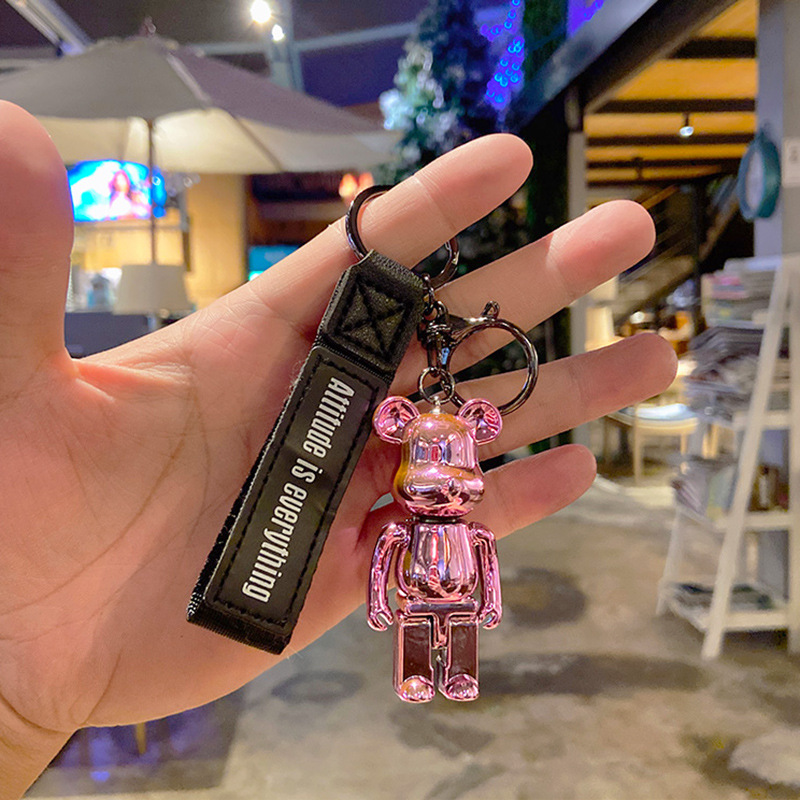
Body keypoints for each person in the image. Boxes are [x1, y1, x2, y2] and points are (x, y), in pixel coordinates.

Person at [0, 100, 676, 798]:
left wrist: (13, 718)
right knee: (416, 638)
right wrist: (12, 705)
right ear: (397, 428)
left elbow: (479, 562)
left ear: (476, 431)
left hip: (450, 594)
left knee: (458, 635)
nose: (446, 481)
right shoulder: (406, 500)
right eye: (433, 465)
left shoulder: (463, 520)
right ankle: (419, 671)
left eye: (454, 466)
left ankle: (457, 670)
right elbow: (384, 557)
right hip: (410, 594)